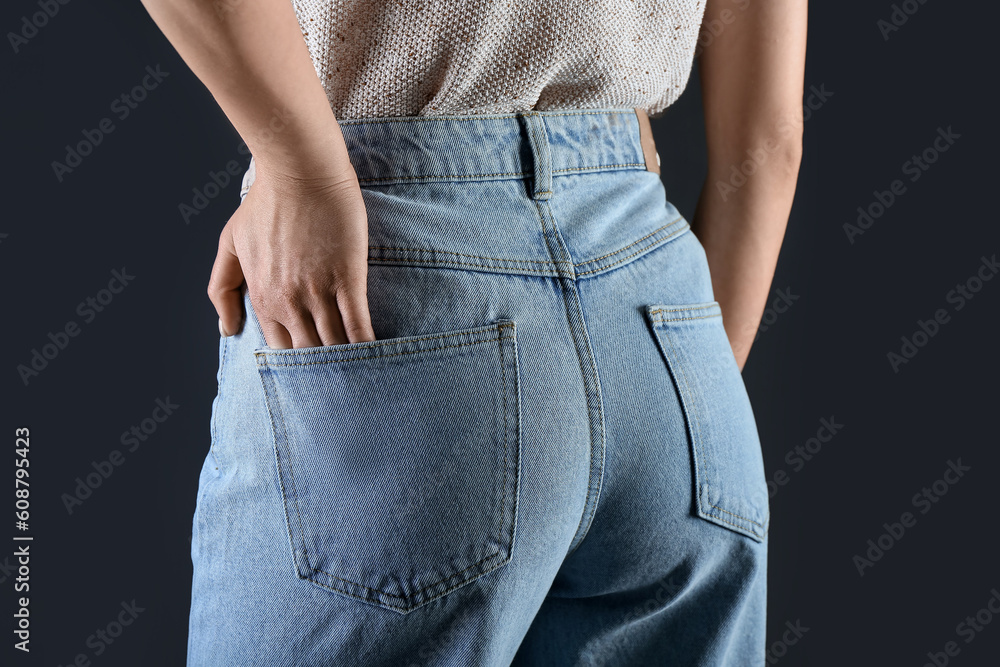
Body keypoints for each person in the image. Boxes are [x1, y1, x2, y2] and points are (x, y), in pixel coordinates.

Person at [140, 0, 806, 664]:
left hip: (403, 272)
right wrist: (692, 383)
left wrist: (302, 171)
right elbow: (769, 147)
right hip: (662, 328)